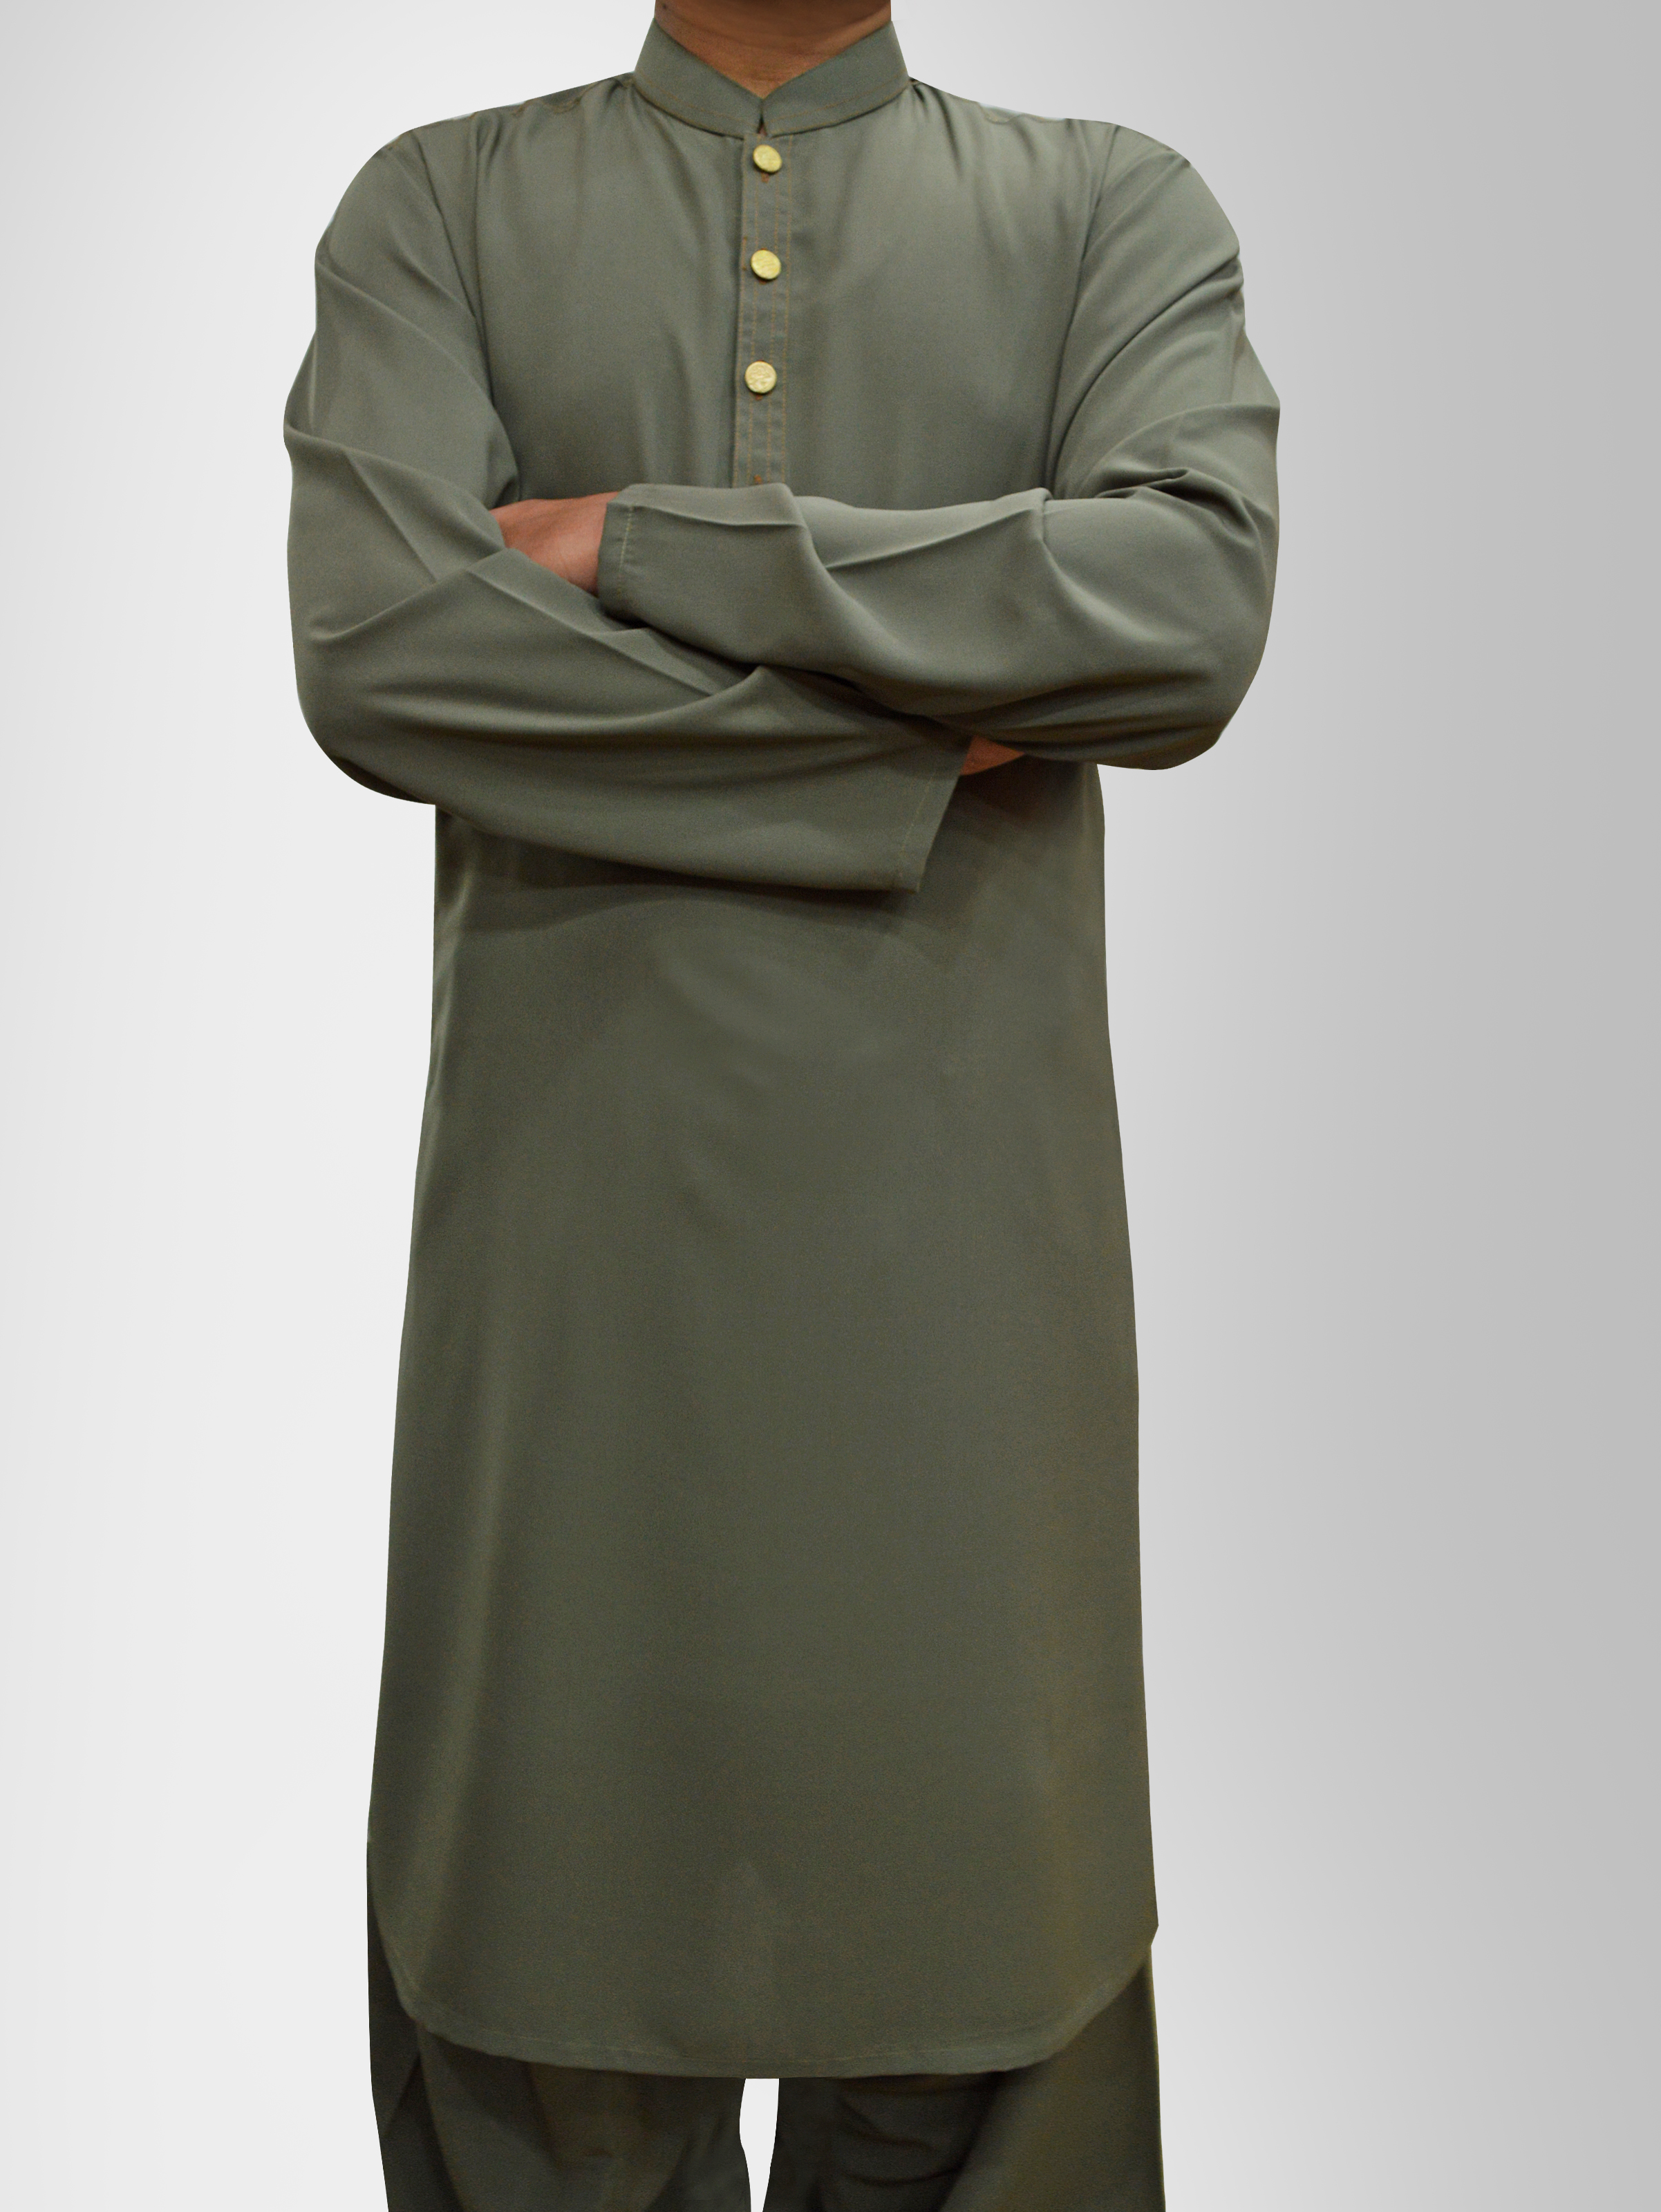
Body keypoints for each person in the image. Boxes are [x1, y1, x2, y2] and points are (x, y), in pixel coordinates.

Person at [285, 0, 1279, 2200]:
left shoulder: (1106, 209)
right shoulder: (441, 207)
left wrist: (640, 546)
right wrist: (917, 745)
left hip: (965, 1313)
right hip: (570, 1312)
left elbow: (1185, 609)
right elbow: (378, 645)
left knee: (988, 1982)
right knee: (534, 1984)